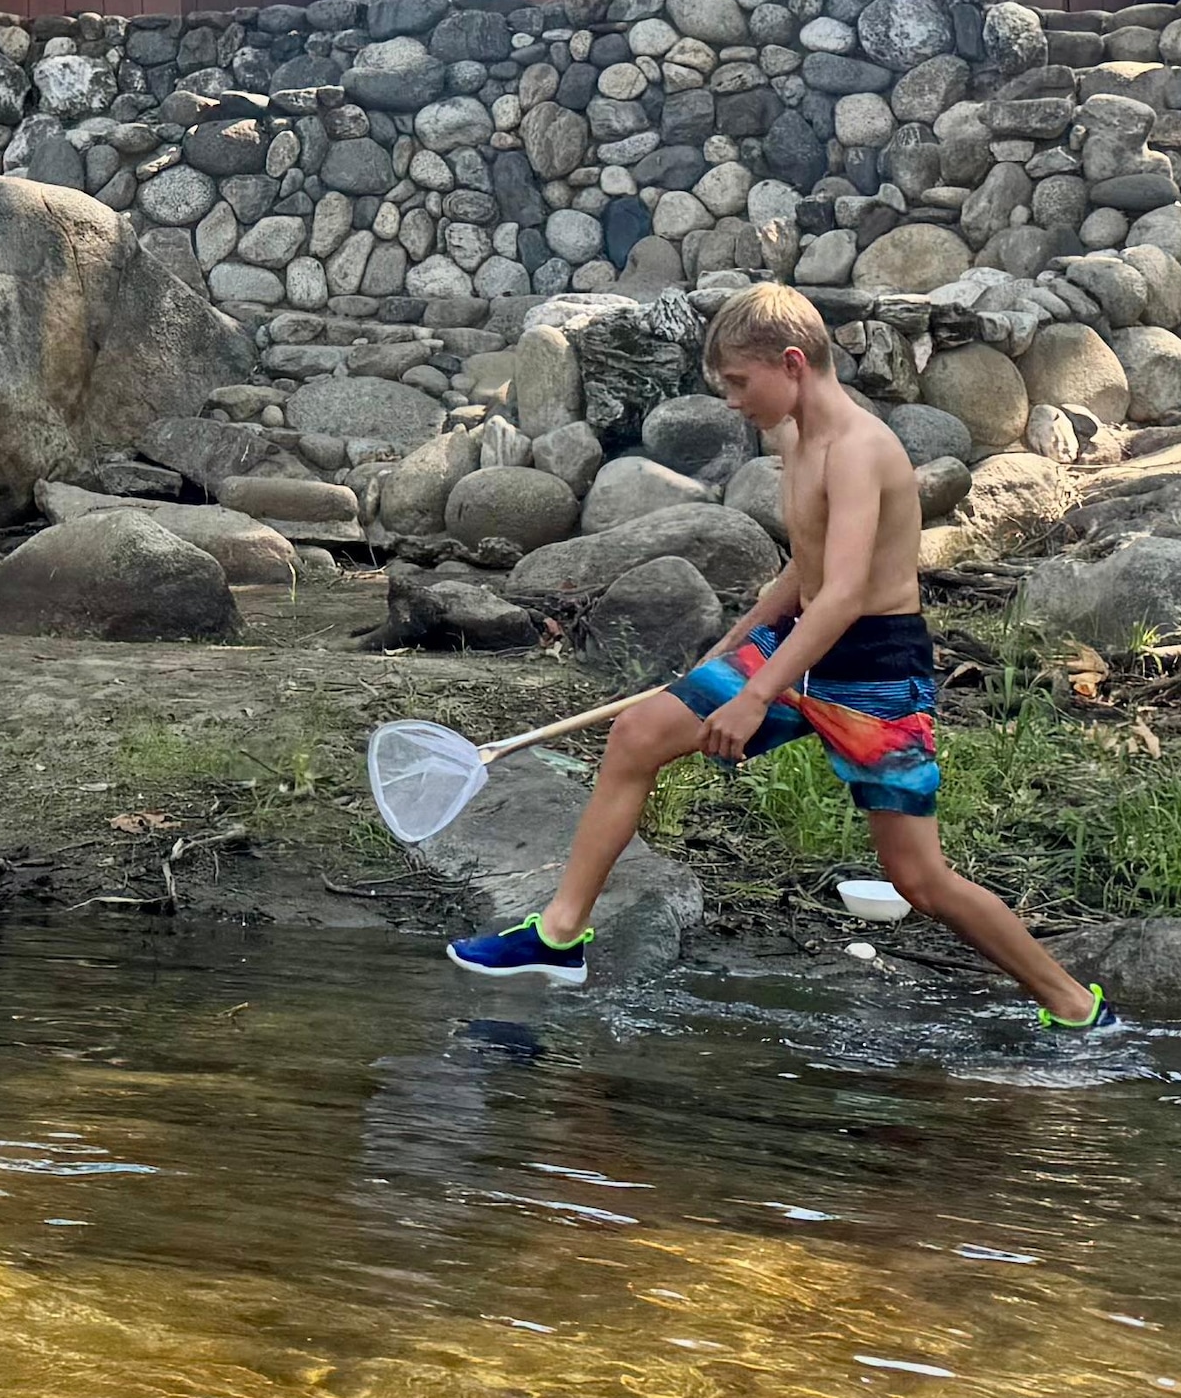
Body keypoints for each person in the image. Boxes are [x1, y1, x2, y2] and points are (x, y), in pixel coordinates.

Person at [447, 279, 1111, 1031]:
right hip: (795, 642)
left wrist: (757, 692)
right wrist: (750, 626)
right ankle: (560, 937)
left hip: (875, 671)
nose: (731, 400)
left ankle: (1073, 1003)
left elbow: (846, 595)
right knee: (636, 736)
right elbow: (811, 567)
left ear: (792, 363)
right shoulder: (792, 436)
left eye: (737, 381)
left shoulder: (862, 451)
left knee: (918, 879)